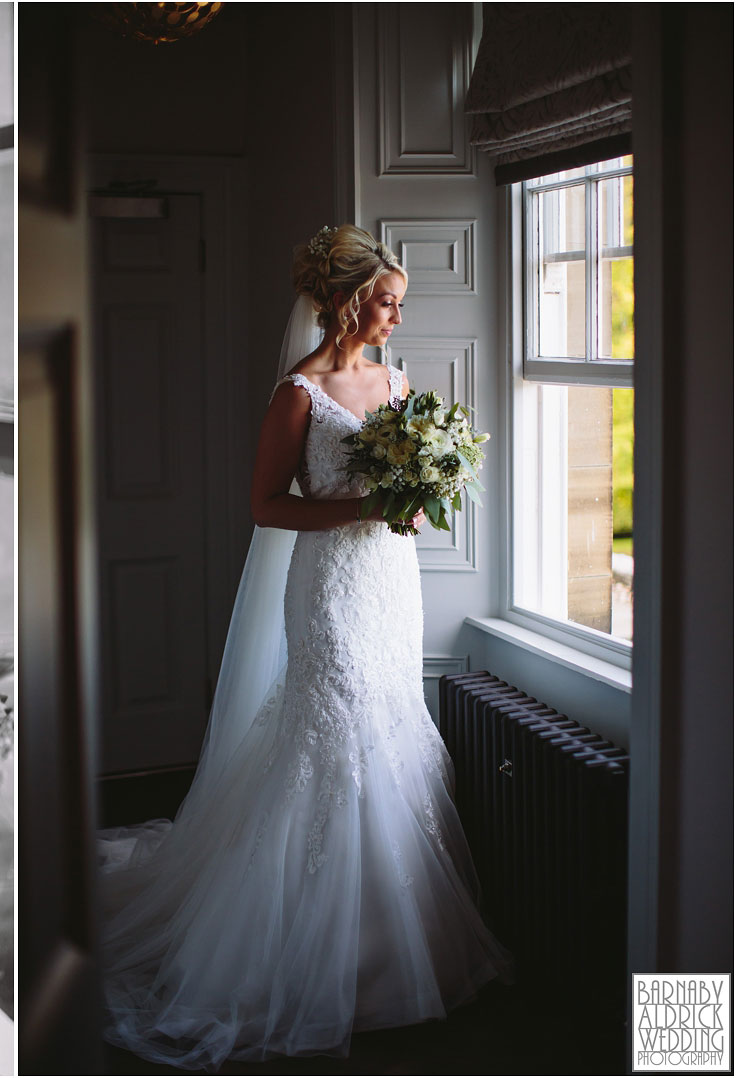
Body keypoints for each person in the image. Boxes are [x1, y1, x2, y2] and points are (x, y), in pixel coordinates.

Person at [97, 225, 510, 1070]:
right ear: (353, 299)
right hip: (327, 585)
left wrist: (419, 498)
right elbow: (264, 505)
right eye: (388, 301)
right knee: (334, 728)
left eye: (401, 304)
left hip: (390, 579)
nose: (397, 316)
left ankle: (395, 949)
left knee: (391, 721)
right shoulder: (299, 393)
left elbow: (405, 486)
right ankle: (305, 958)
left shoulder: (396, 383)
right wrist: (364, 510)